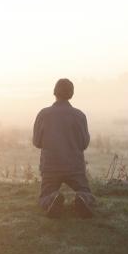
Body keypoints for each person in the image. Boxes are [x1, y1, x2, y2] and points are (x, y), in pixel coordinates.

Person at [32, 78, 96, 217]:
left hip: (51, 167)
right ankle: (82, 199)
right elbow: (84, 143)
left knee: (45, 195)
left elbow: (36, 142)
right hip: (74, 167)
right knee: (85, 191)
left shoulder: (43, 114)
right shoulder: (79, 115)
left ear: (55, 92)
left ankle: (53, 198)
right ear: (71, 94)